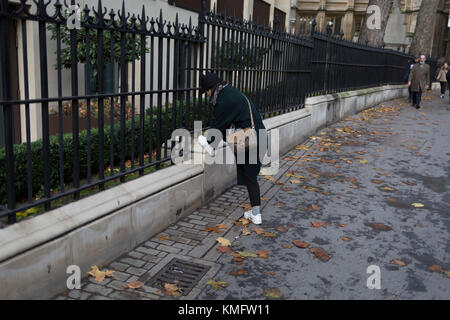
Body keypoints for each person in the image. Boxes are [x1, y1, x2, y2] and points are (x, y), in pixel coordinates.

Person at [199, 73, 267, 225]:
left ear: (211, 89)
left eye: (206, 92)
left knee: (250, 176)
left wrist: (209, 141)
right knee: (250, 175)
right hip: (254, 136)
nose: (207, 95)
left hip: (249, 139)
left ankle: (256, 214)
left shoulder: (226, 99)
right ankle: (255, 212)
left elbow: (220, 122)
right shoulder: (230, 92)